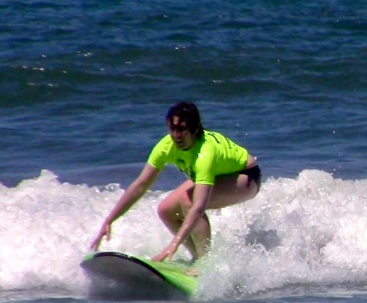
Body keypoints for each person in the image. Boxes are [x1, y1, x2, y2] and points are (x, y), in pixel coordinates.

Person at [90, 101, 261, 262]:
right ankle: (197, 257)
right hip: (218, 174)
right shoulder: (165, 146)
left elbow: (198, 207)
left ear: (194, 130)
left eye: (182, 129)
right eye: (173, 128)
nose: (176, 135)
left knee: (189, 201)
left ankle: (205, 264)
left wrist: (173, 244)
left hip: (246, 176)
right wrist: (109, 220)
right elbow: (140, 185)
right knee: (166, 210)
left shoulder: (205, 154)